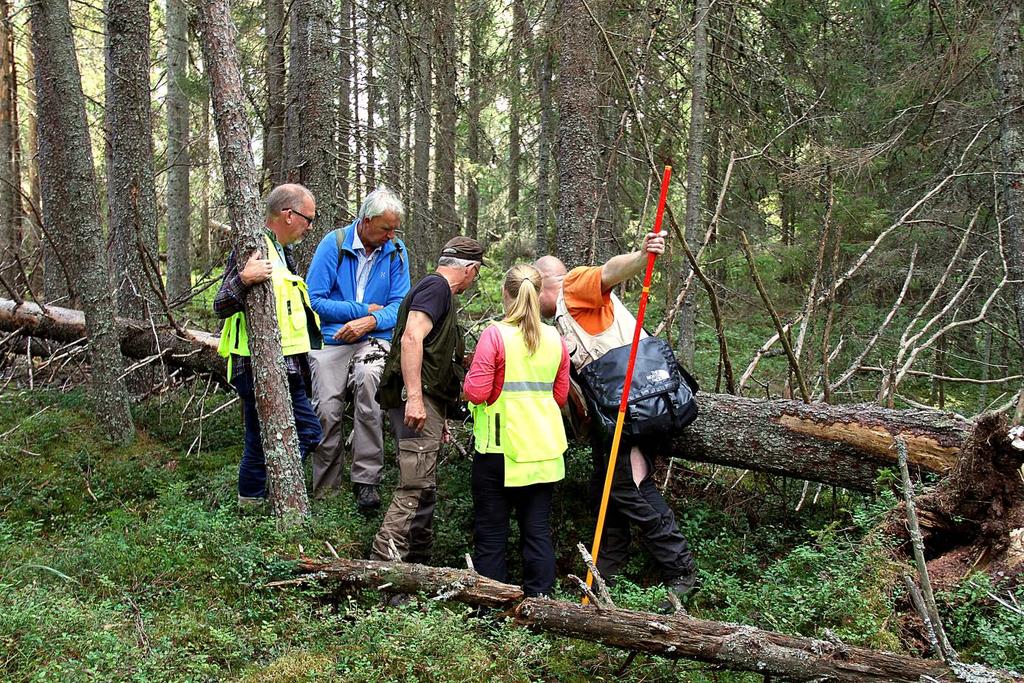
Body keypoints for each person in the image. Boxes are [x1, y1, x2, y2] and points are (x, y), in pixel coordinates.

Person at [535, 231, 699, 601]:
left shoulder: (570, 286)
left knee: (629, 486)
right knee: (603, 488)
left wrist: (642, 256)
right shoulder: (560, 316)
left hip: (635, 403)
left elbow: (609, 271)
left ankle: (681, 569)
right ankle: (607, 567)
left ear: (544, 284)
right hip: (620, 407)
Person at [370, 237, 484, 563]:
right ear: (470, 269)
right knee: (414, 487)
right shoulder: (436, 289)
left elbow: (434, 355)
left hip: (426, 401)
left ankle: (419, 566)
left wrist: (438, 415)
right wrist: (417, 400)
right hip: (415, 399)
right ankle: (385, 570)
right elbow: (411, 337)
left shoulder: (437, 292)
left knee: (425, 486)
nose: (473, 281)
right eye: (475, 274)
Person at [463, 264, 570, 597]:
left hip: (499, 451)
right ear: (538, 296)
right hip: (544, 454)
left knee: (492, 534)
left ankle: (490, 609)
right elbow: (560, 396)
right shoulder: (556, 338)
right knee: (537, 532)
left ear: (504, 293)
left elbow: (477, 393)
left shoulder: (495, 335)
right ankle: (542, 604)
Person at [214, 183, 324, 507]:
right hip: (257, 365)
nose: (310, 227)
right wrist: (244, 279)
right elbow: (220, 304)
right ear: (289, 215)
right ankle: (268, 497)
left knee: (257, 442)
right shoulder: (253, 247)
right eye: (308, 218)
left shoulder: (280, 251)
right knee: (306, 431)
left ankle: (252, 507)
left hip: (281, 364)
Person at [305, 187, 411, 509]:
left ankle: (366, 480)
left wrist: (371, 321)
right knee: (326, 408)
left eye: (395, 229)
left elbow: (400, 306)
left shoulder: (396, 252)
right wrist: (361, 311)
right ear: (366, 222)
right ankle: (326, 489)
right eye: (385, 229)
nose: (391, 235)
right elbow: (315, 299)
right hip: (334, 339)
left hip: (376, 338)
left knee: (370, 385)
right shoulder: (333, 245)